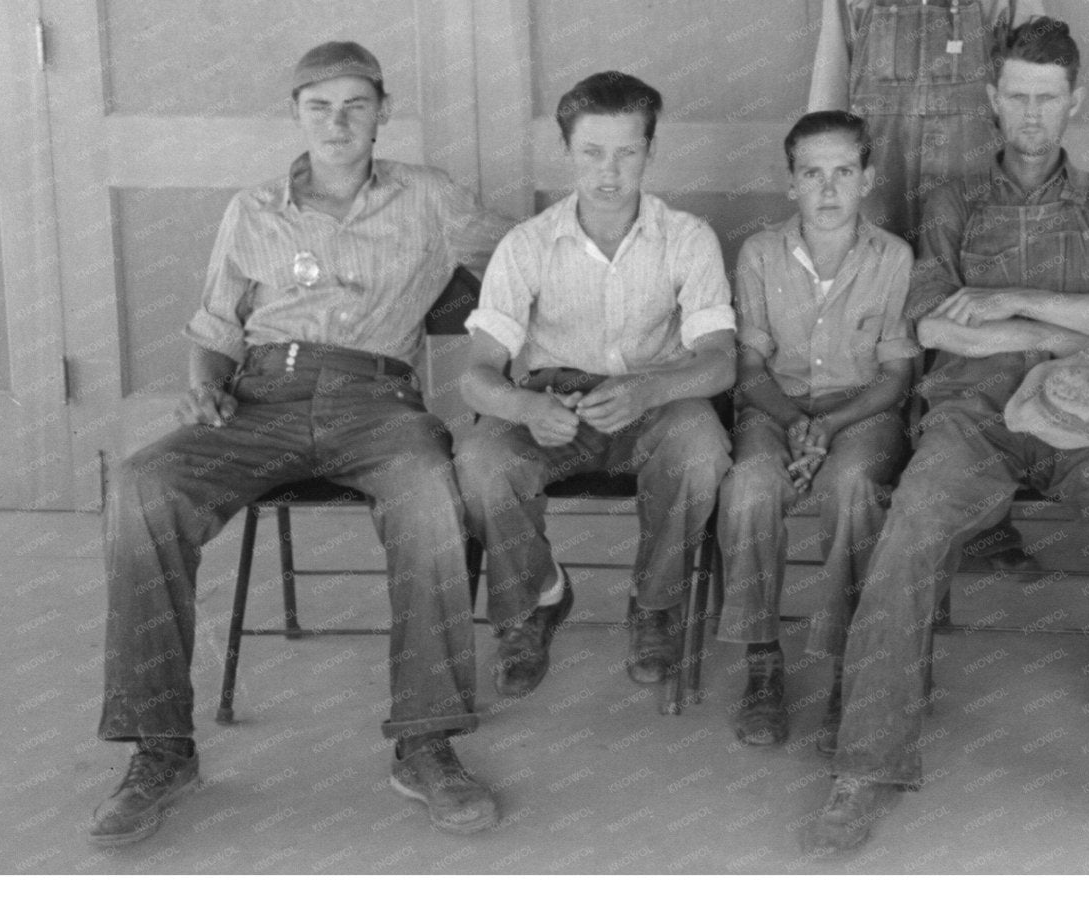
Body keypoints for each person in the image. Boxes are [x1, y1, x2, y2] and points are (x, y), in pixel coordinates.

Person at [801, 18, 1089, 871]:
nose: (1032, 114)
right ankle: (865, 765)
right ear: (992, 99)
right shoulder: (954, 202)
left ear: (1075, 100)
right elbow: (936, 326)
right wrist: (1059, 324)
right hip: (973, 412)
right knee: (910, 531)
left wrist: (1008, 302)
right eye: (1017, 96)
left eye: (1048, 98)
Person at [93, 41, 513, 845]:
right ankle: (161, 749)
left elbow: (531, 258)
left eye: (356, 105)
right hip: (261, 396)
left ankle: (426, 741)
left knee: (432, 493)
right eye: (320, 106)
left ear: (383, 112)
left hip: (378, 401)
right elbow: (216, 328)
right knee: (143, 485)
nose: (338, 122)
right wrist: (206, 383)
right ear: (296, 114)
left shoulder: (432, 197)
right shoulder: (253, 208)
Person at [808, 0, 1047, 578]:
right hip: (880, 191)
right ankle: (882, 513)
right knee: (883, 336)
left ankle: (981, 518)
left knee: (972, 343)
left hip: (976, 194)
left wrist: (1026, 194)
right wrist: (829, 198)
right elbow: (827, 96)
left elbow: (1035, 86)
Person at [453, 72, 735, 701]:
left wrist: (648, 392)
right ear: (566, 151)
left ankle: (654, 604)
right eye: (592, 152)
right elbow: (476, 375)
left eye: (627, 151)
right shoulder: (527, 244)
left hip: (653, 401)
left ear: (651, 151)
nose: (609, 171)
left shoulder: (688, 238)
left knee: (700, 447)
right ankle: (539, 596)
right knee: (480, 460)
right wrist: (525, 405)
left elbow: (720, 364)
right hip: (554, 404)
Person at [716, 111, 919, 750]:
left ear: (867, 179)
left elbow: (896, 377)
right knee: (749, 487)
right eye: (812, 174)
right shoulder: (759, 254)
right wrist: (795, 423)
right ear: (791, 183)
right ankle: (763, 662)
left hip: (862, 410)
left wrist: (829, 426)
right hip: (775, 406)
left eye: (843, 172)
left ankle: (845, 668)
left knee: (852, 487)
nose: (828, 190)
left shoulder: (893, 257)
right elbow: (750, 369)